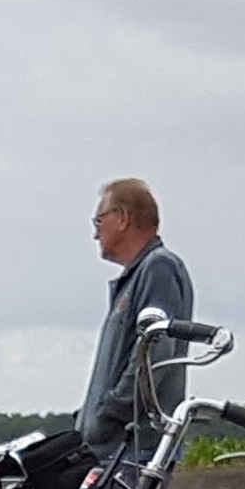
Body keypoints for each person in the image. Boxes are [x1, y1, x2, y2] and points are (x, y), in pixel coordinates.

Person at [77, 178, 194, 463]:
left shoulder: (159, 267)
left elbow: (155, 351)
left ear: (122, 218)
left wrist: (111, 412)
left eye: (99, 221)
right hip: (119, 450)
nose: (95, 234)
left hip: (134, 450)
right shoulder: (140, 274)